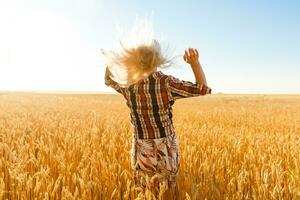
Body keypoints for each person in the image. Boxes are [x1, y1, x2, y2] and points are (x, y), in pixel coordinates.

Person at [104, 44, 211, 198]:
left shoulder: (127, 84)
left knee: (145, 190)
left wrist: (115, 59)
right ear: (156, 61)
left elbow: (108, 79)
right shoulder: (165, 82)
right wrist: (195, 64)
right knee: (168, 188)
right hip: (166, 146)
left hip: (142, 146)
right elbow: (202, 88)